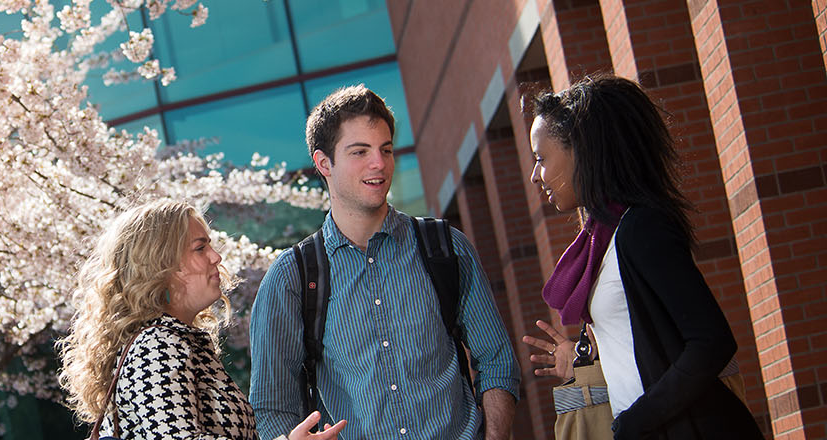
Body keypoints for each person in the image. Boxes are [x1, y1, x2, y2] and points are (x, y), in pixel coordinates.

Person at [249, 85, 520, 440]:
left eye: (386, 149)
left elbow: (497, 360)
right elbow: (273, 406)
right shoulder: (293, 277)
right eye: (360, 151)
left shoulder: (444, 248)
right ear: (323, 163)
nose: (379, 163)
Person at [519, 75, 763, 439]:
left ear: (582, 150)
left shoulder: (641, 228)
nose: (535, 175)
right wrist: (585, 354)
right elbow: (640, 339)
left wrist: (637, 420)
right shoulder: (604, 240)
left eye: (541, 158)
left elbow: (711, 341)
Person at [58, 200, 347, 440]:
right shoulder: (157, 345)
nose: (216, 257)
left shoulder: (174, 341)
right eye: (200, 248)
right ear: (162, 265)